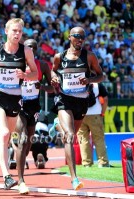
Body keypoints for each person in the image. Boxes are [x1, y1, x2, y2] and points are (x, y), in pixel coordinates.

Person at [0, 18, 38, 191]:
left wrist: (25, 76)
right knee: (5, 134)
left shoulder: (26, 51)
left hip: (15, 98)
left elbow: (36, 74)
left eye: (19, 31)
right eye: (14, 31)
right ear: (6, 31)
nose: (17, 34)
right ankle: (6, 176)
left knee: (7, 135)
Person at [51, 26, 103, 190]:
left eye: (83, 37)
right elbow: (53, 72)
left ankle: (57, 125)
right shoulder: (60, 57)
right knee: (70, 135)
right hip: (64, 99)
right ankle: (74, 179)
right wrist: (54, 79)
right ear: (69, 37)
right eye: (77, 36)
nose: (80, 40)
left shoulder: (89, 56)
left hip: (81, 101)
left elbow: (101, 76)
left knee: (71, 133)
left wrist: (89, 80)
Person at [17, 39, 53, 174]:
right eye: (28, 47)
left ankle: (23, 157)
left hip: (34, 105)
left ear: (36, 50)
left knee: (29, 139)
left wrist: (41, 86)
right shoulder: (17, 64)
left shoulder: (42, 65)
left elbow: (52, 88)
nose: (30, 50)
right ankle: (20, 171)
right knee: (23, 136)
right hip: (19, 104)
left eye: (33, 48)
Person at [77, 82, 111, 168]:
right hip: (95, 114)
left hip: (81, 114)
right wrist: (102, 113)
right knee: (98, 138)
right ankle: (103, 162)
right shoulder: (98, 85)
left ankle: (86, 163)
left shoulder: (76, 83)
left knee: (83, 139)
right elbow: (105, 99)